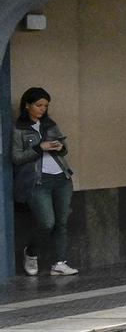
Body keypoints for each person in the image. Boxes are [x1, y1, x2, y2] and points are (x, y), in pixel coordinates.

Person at [12, 88, 76, 277]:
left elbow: (64, 149)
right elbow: (16, 157)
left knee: (62, 222)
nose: (42, 109)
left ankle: (59, 262)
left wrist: (60, 146)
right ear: (27, 105)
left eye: (45, 106)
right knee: (47, 222)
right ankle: (31, 253)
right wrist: (39, 148)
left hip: (61, 177)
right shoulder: (19, 129)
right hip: (38, 181)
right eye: (38, 105)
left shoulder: (49, 124)